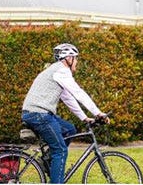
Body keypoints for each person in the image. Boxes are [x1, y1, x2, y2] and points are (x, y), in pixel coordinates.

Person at [21, 43, 109, 184]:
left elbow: (68, 98)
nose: (77, 62)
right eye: (76, 58)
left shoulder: (55, 71)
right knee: (60, 151)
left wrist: (84, 117)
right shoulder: (62, 71)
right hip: (39, 114)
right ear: (68, 58)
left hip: (36, 113)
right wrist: (98, 113)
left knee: (69, 129)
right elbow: (78, 93)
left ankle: (47, 161)